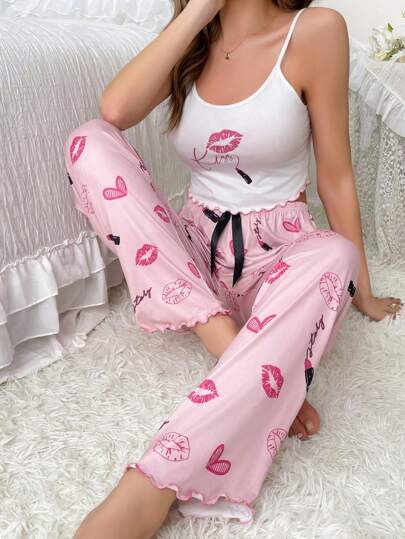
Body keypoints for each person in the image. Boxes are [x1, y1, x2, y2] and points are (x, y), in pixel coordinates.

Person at [64, 1, 403, 537]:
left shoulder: (316, 30)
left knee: (334, 255)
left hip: (278, 258)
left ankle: (154, 483)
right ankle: (230, 343)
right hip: (194, 256)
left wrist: (363, 291)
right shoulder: (194, 39)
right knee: (88, 142)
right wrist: (199, 11)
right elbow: (115, 109)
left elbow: (335, 176)